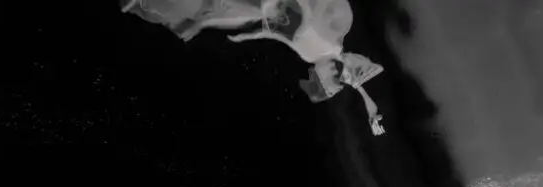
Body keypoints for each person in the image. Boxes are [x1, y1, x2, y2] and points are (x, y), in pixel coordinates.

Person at [120, 0, 386, 135]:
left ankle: (200, 20)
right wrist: (371, 114)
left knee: (234, 15)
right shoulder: (333, 52)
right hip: (298, 10)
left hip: (286, 11)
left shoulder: (311, 56)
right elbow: (366, 82)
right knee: (235, 13)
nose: (332, 82)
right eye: (329, 85)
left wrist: (247, 36)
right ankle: (202, 19)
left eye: (328, 86)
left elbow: (275, 34)